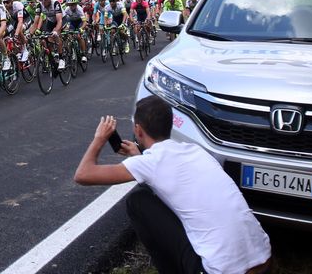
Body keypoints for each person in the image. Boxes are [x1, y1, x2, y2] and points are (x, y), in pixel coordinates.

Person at [74, 95, 271, 274]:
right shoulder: (196, 151)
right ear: (170, 126)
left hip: (218, 270)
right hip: (264, 260)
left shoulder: (149, 163)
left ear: (138, 130)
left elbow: (83, 175)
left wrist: (99, 139)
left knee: (138, 200)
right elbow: (167, 172)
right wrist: (139, 155)